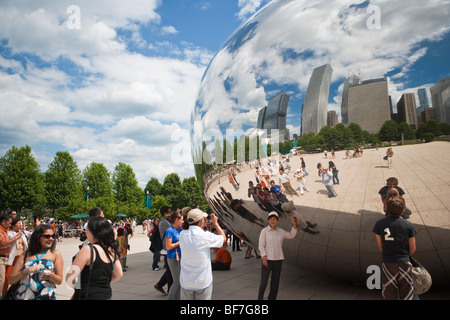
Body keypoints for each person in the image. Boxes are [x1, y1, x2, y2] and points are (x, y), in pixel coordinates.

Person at [67, 216, 122, 300]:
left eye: (87, 230)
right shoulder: (112, 250)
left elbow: (70, 277)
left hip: (87, 295)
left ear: (92, 232)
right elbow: (119, 274)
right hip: (106, 295)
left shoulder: (88, 249)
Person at [373, 198, 417, 300]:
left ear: (387, 208)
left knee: (389, 290)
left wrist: (388, 254)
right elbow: (413, 247)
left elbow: (380, 246)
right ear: (403, 210)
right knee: (407, 290)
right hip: (404, 261)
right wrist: (405, 256)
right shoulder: (408, 225)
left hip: (388, 262)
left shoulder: (379, 224)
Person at [179, 209, 226, 300]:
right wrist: (215, 224)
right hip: (202, 281)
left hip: (186, 281)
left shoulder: (182, 235)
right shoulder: (205, 236)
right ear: (201, 221)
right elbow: (223, 239)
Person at [8, 224, 63, 300]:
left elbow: (59, 280)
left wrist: (52, 276)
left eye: (53, 236)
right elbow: (11, 280)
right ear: (38, 237)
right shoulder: (26, 254)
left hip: (46, 297)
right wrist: (24, 272)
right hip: (23, 297)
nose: (51, 239)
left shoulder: (55, 254)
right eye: (47, 236)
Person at [258, 212, 298, 300]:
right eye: (271, 218)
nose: (273, 220)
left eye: (275, 219)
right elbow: (261, 245)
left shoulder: (281, 231)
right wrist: (263, 257)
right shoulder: (264, 231)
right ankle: (260, 298)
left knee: (275, 282)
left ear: (277, 220)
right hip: (267, 259)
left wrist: (294, 226)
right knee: (264, 281)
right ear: (268, 220)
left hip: (278, 260)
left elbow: (291, 235)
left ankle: (272, 298)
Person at [2, 218, 32, 294]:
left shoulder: (23, 233)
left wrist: (37, 227)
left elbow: (33, 235)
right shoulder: (9, 233)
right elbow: (7, 241)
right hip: (12, 257)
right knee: (7, 277)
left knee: (20, 276)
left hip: (21, 257)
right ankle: (4, 292)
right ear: (13, 225)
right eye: (18, 224)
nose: (20, 225)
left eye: (21, 224)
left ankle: (17, 292)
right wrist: (17, 236)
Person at [0, 214, 22, 291]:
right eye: (9, 223)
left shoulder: (5, 231)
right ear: (3, 222)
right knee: (2, 280)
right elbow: (3, 243)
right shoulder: (1, 231)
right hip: (2, 258)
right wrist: (16, 237)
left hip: (7, 258)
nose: (10, 225)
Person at [154, 206, 173, 295]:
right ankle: (168, 288)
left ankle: (160, 284)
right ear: (165, 213)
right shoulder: (163, 223)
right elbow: (173, 229)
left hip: (167, 248)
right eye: (169, 212)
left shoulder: (165, 222)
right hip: (166, 249)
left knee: (170, 270)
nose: (171, 213)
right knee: (170, 270)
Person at [165, 210, 184, 300]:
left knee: (180, 280)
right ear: (177, 219)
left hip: (179, 257)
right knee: (177, 281)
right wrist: (178, 243)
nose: (183, 222)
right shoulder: (170, 230)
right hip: (172, 258)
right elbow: (168, 247)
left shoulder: (179, 230)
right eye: (182, 220)